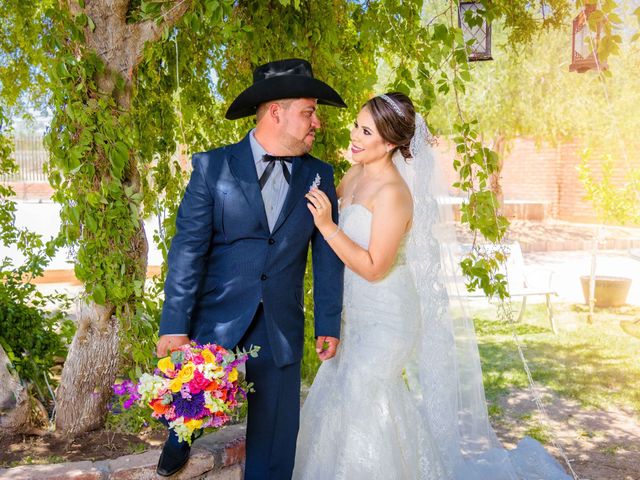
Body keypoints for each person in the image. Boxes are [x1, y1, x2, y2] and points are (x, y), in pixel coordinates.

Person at [294, 92, 573, 479]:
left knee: (364, 392)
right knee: (343, 392)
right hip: (353, 314)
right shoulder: (353, 175)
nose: (354, 136)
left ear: (390, 143)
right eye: (356, 125)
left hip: (388, 315)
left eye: (366, 131)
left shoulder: (394, 194)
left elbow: (374, 266)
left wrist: (327, 226)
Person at [155, 58, 346, 479]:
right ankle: (179, 435)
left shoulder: (320, 175)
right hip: (216, 318)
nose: (318, 123)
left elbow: (327, 253)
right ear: (276, 112)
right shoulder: (213, 167)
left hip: (280, 322)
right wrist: (174, 323)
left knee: (276, 440)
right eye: (309, 112)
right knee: (191, 403)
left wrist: (328, 320)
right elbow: (188, 249)